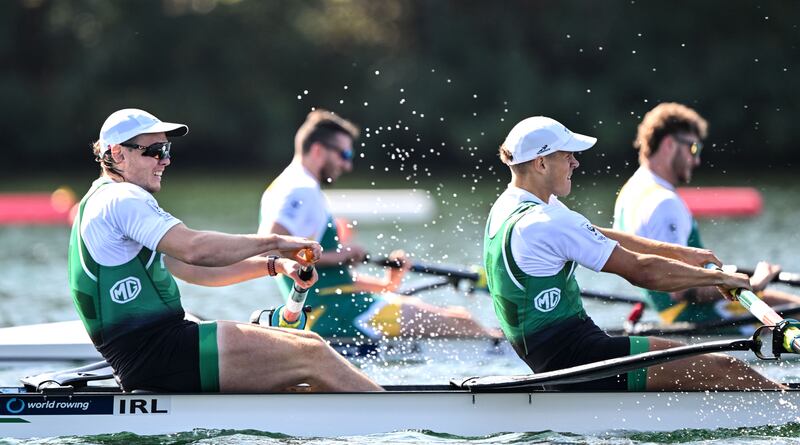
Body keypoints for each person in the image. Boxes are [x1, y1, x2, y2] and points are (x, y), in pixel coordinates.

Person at [69, 108, 382, 393]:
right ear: (117, 153)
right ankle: (398, 422)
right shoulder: (121, 199)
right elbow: (196, 249)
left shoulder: (104, 201)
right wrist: (276, 242)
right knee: (312, 351)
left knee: (297, 366)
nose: (165, 160)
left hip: (154, 352)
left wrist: (274, 265)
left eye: (166, 150)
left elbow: (196, 270)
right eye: (154, 151)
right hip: (159, 352)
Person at [484, 115, 782, 390]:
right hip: (578, 359)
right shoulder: (547, 221)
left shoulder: (510, 207)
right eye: (567, 156)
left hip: (558, 353)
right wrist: (717, 278)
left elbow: (598, 233)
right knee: (729, 369)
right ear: (541, 164)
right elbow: (642, 271)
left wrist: (681, 253)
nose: (575, 163)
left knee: (703, 367)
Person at [258, 109, 493, 340]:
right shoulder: (300, 189)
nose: (347, 165)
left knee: (458, 316)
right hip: (334, 314)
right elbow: (268, 251)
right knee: (463, 322)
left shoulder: (290, 187)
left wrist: (386, 283)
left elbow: (326, 276)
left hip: (337, 308)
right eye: (344, 154)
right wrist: (341, 255)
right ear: (318, 150)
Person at [613, 102, 800, 327]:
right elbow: (679, 288)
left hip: (670, 313)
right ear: (670, 144)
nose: (697, 160)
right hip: (692, 316)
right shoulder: (664, 202)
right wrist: (756, 282)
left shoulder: (631, 190)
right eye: (694, 148)